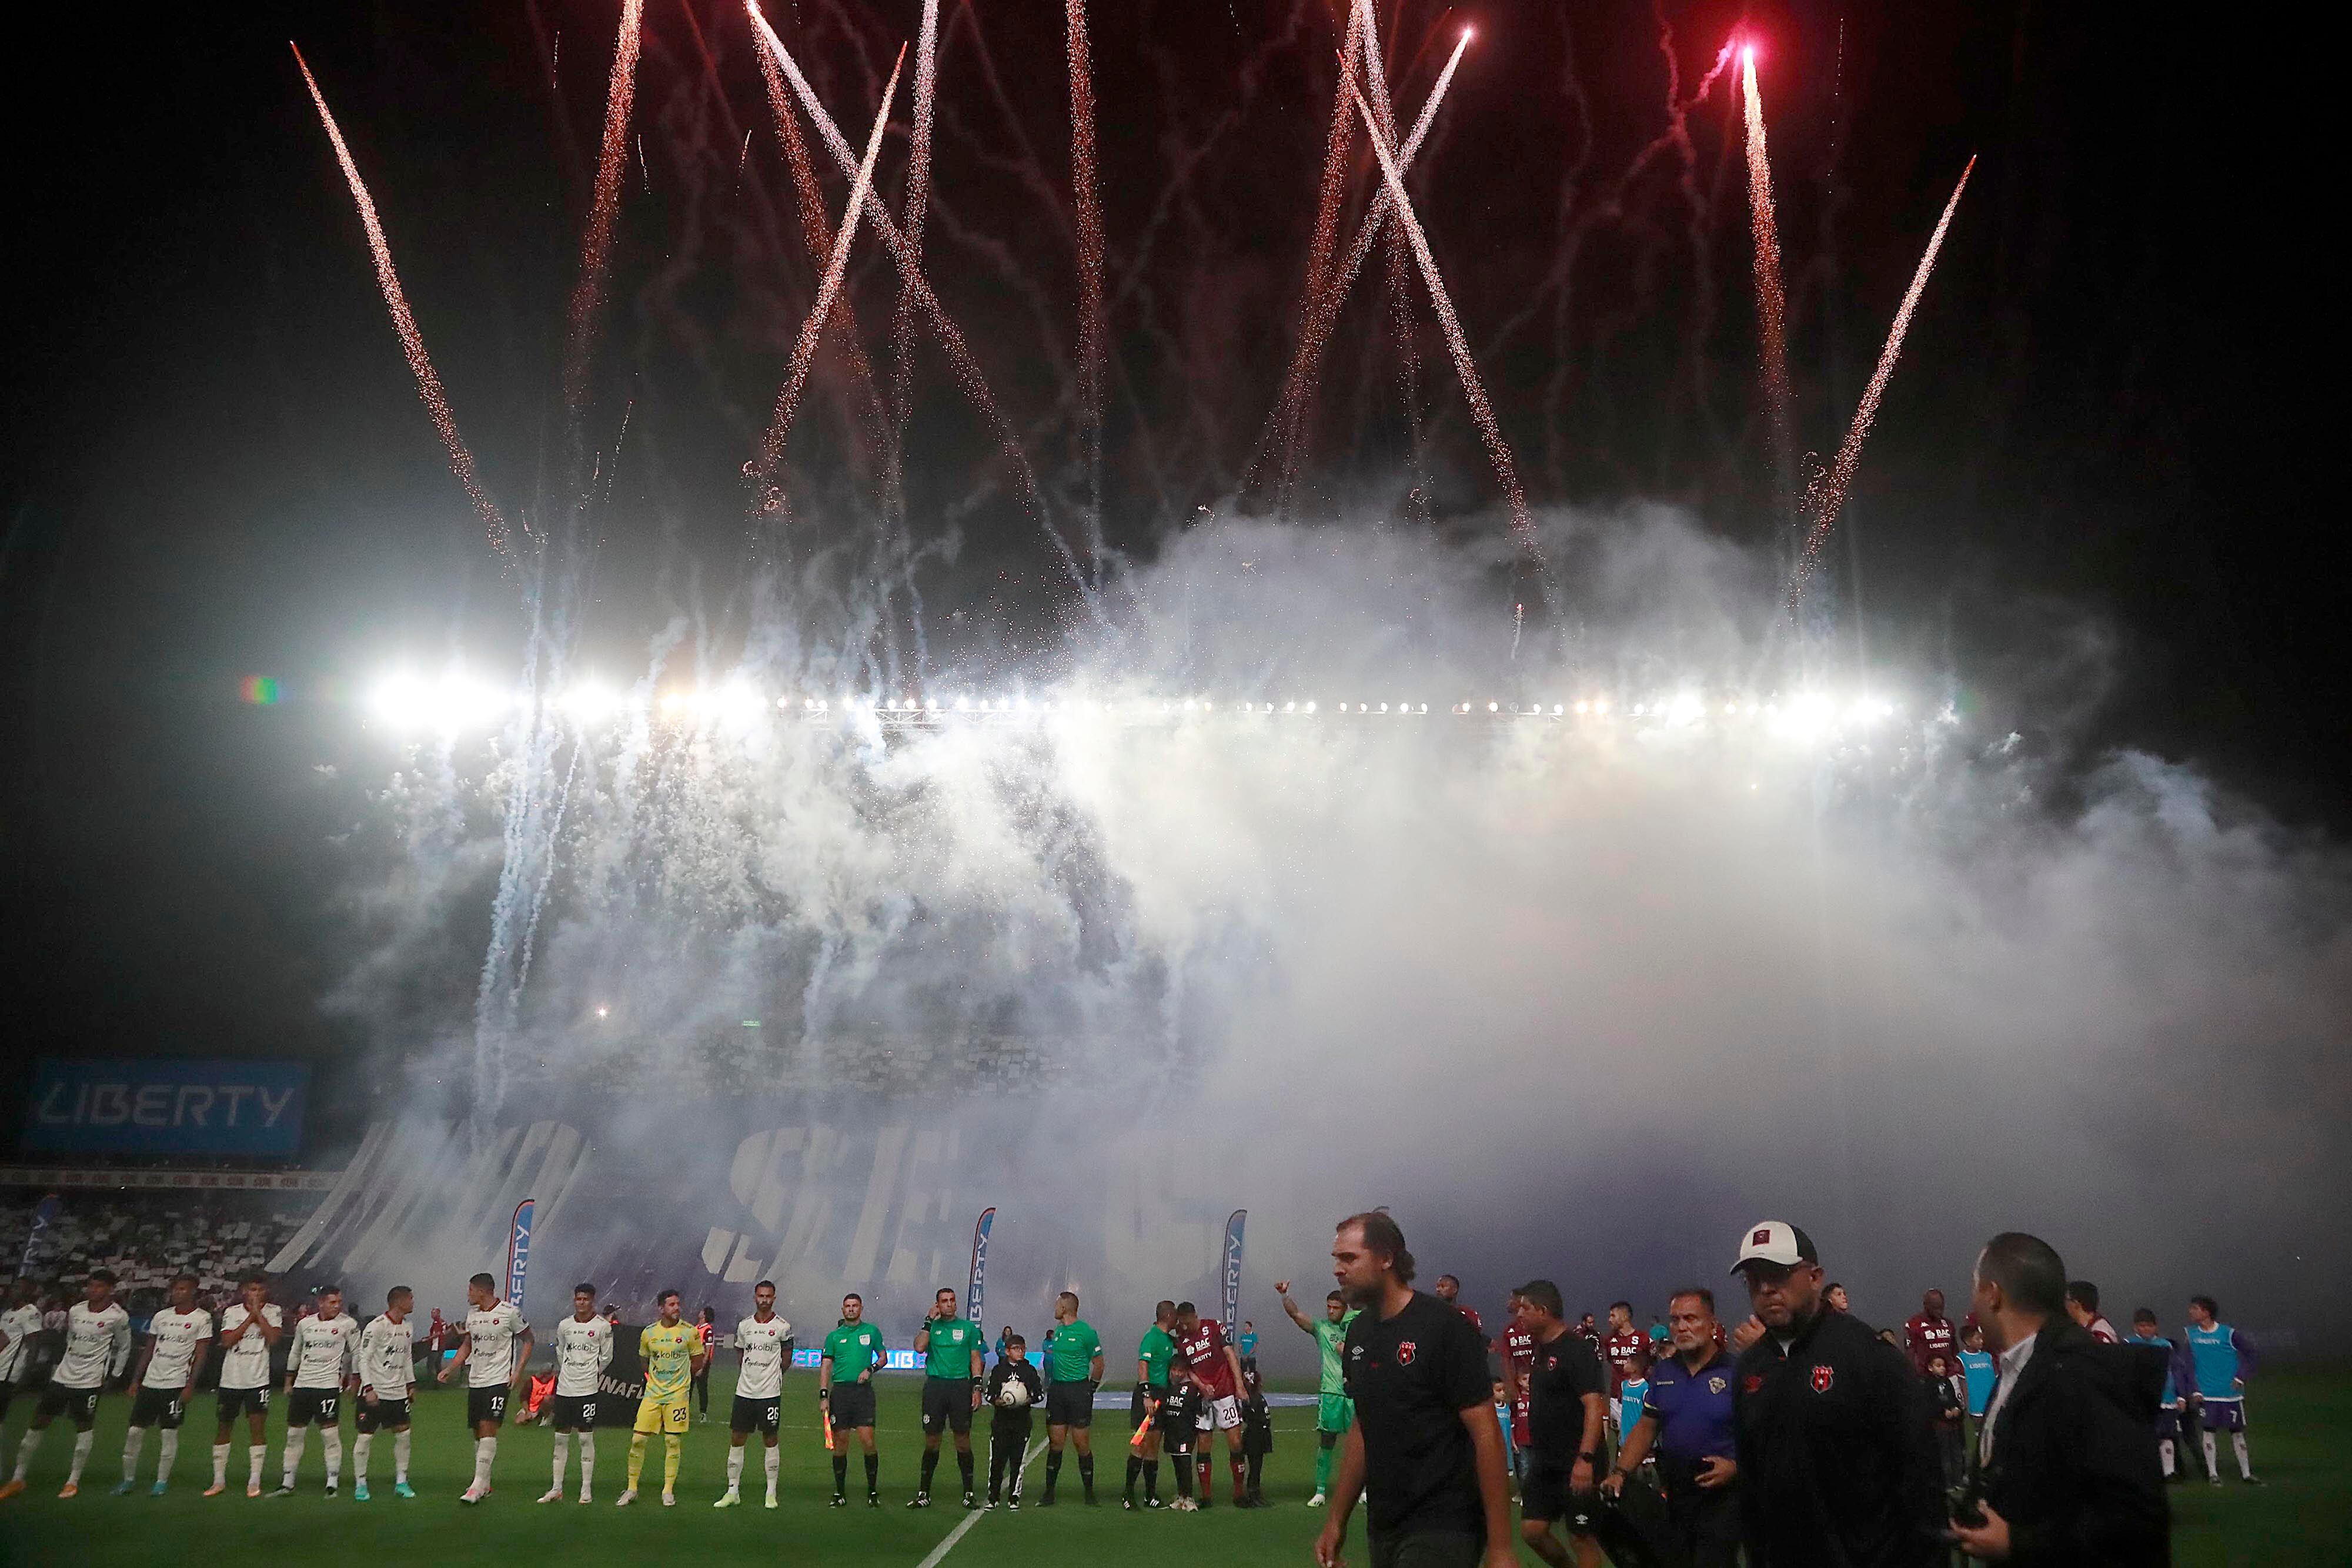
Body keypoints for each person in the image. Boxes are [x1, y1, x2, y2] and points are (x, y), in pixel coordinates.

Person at [1728, 1221, 1943, 1568]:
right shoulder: (1749, 1368)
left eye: (1779, 1274)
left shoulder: (1868, 1355)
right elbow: (1752, 1486)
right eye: (1754, 1278)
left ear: (1815, 1278)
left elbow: (1920, 1479)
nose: (1766, 1288)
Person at [1951, 1231, 2169, 1564]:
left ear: (1993, 1295)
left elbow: (2139, 1524)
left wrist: (2020, 1543)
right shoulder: (2018, 1368)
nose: (1973, 1304)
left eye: (1975, 1288)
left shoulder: (2083, 1372)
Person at [1312, 1212, 1515, 1568]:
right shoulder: (1359, 1333)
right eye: (1336, 1259)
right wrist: (1336, 1521)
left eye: (1349, 1258)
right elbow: (1363, 1428)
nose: (1338, 1270)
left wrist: (1501, 1547)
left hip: (1445, 1522)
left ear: (1386, 1258)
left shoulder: (1444, 1327)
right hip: (1385, 1523)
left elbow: (1486, 1434)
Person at [1608, 1286, 1740, 1568]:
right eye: (1676, 1320)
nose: (1682, 1327)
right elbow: (1646, 1428)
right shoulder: (1664, 1372)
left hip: (1725, 1495)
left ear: (1712, 1325)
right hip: (1678, 1491)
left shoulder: (1736, 1371)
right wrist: (1620, 1472)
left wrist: (1736, 1466)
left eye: (1691, 1318)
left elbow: (1761, 1434)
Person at [1, 1269, 131, 1500]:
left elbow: (124, 1347)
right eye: (91, 1285)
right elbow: (71, 1338)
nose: (93, 1290)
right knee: (37, 1423)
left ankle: (73, 1481)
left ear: (110, 1289)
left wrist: (115, 1375)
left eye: (99, 1286)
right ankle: (18, 1479)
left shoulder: (118, 1316)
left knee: (83, 1426)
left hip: (90, 1380)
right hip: (63, 1376)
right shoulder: (76, 1310)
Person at [1514, 1279, 1607, 1568]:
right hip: (1546, 1462)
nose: (1519, 1314)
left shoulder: (1576, 1350)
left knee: (1581, 1537)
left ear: (1543, 1311)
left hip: (1577, 1460)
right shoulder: (1540, 1349)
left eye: (1525, 1308)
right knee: (1532, 1531)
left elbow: (1594, 1405)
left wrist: (1586, 1459)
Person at [437, 1270, 533, 1505]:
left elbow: (528, 1340)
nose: (468, 1294)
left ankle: (476, 1486)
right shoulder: (473, 1315)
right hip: (477, 1379)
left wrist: (517, 1371)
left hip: (499, 1380)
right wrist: (451, 1368)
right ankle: (485, 1484)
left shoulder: (509, 1313)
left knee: (488, 1426)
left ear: (482, 1291)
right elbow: (468, 1344)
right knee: (478, 1431)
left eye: (470, 1290)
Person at [117, 1273, 212, 1496]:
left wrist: (190, 1385)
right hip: (151, 1382)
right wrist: (136, 1380)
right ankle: (128, 1480)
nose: (177, 1293)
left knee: (168, 1433)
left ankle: (161, 1482)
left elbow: (201, 1355)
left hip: (176, 1384)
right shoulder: (161, 1316)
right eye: (175, 1289)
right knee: (134, 1432)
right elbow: (149, 1350)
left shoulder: (202, 1318)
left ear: (193, 1292)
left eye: (182, 1289)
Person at [1279, 1278, 1359, 1506]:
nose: (1331, 1311)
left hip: (1355, 1394)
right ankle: (1321, 1491)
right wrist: (1284, 1296)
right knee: (1327, 1441)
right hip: (1331, 1393)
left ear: (1345, 1309)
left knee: (1359, 1443)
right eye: (1329, 1307)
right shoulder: (1322, 1328)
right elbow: (1296, 1315)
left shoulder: (1358, 1328)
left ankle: (1363, 1490)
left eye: (1336, 1308)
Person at [619, 1289, 701, 1507]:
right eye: (672, 1305)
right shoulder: (649, 1333)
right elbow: (644, 1361)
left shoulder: (690, 1332)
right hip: (653, 1394)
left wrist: (681, 1382)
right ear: (661, 1308)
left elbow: (697, 1361)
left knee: (672, 1441)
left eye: (678, 1304)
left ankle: (668, 1491)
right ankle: (632, 1489)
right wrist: (656, 1380)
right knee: (638, 1440)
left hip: (677, 1396)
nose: (677, 1308)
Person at [273, 1283, 356, 1496]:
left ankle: (332, 1483)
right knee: (294, 1435)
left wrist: (354, 1380)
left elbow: (358, 1353)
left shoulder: (348, 1324)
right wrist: (289, 1381)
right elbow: (295, 1352)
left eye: (339, 1302)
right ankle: (287, 1483)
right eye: (332, 1302)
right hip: (303, 1386)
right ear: (320, 1302)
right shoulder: (305, 1324)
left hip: (328, 1387)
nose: (337, 1306)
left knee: (330, 1435)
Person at [717, 1280, 793, 1509]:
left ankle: (771, 1492)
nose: (764, 1300)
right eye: (761, 1296)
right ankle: (732, 1491)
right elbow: (740, 1352)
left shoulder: (783, 1327)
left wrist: (773, 1376)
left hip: (769, 1393)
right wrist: (749, 1373)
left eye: (768, 1296)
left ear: (774, 1298)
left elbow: (787, 1358)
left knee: (770, 1438)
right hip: (745, 1392)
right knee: (737, 1438)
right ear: (755, 1298)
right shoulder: (745, 1326)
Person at [205, 1272, 282, 1497]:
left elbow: (273, 1339)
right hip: (231, 1379)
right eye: (252, 1289)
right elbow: (227, 1341)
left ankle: (254, 1481)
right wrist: (251, 1318)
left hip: (258, 1379)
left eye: (260, 1289)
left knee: (257, 1428)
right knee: (224, 1427)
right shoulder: (232, 1312)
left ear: (266, 1291)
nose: (256, 1293)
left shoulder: (274, 1311)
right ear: (244, 1291)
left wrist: (259, 1314)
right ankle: (218, 1481)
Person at [1173, 1299, 1251, 1507]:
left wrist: (1239, 1386)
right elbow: (1188, 1370)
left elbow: (1230, 1355)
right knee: (1204, 1445)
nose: (1185, 1327)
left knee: (1236, 1443)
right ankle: (1206, 1497)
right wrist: (1201, 1386)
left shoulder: (1215, 1327)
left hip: (1225, 1393)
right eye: (1182, 1323)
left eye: (1187, 1322)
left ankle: (1239, 1494)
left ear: (1195, 1316)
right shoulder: (1182, 1341)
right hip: (1203, 1398)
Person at [911, 1285, 983, 1508]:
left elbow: (975, 1358)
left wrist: (977, 1387)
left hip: (960, 1386)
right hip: (936, 1387)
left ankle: (969, 1493)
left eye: (952, 1300)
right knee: (932, 1441)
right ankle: (924, 1493)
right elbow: (919, 1348)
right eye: (944, 1301)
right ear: (937, 1305)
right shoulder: (932, 1327)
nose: (949, 1304)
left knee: (962, 1440)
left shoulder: (968, 1328)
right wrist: (928, 1321)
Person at [541, 1282, 613, 1504]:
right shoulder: (565, 1325)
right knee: (560, 1438)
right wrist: (570, 1371)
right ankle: (557, 1489)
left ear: (593, 1301)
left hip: (587, 1389)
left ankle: (586, 1489)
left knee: (584, 1438)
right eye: (579, 1299)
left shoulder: (602, 1327)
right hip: (565, 1388)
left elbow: (606, 1357)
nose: (582, 1303)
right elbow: (561, 1352)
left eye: (586, 1299)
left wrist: (590, 1372)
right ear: (574, 1300)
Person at [819, 1292, 886, 1506]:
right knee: (840, 1443)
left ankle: (872, 1492)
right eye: (848, 1306)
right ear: (843, 1310)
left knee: (868, 1441)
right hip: (841, 1393)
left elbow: (883, 1357)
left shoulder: (871, 1331)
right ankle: (839, 1493)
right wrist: (823, 1395)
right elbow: (826, 1366)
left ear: (861, 1309)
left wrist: (871, 1369)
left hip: (863, 1393)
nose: (851, 1309)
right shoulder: (834, 1337)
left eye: (855, 1306)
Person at [2184, 1294, 2259, 1485]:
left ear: (2206, 1312)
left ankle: (2246, 1474)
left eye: (2195, 1308)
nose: (2191, 1312)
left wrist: (2241, 1377)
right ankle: (2213, 1474)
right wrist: (2195, 1389)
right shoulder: (2191, 1335)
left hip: (2230, 1394)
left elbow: (2251, 1353)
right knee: (2208, 1432)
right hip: (2206, 1394)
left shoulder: (2228, 1334)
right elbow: (2188, 1364)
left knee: (2237, 1433)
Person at [353, 1285, 418, 1501]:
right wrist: (369, 1388)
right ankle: (361, 1484)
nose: (413, 1302)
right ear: (399, 1302)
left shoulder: (408, 1326)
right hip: (376, 1392)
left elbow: (407, 1357)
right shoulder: (376, 1327)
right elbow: (364, 1359)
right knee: (365, 1437)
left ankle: (402, 1481)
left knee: (404, 1436)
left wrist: (410, 1384)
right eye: (410, 1298)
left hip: (398, 1393)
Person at [1039, 1289, 1104, 1506]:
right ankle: (1049, 1493)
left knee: (1081, 1444)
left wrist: (1091, 1388)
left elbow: (1099, 1363)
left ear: (1065, 1307)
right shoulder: (1058, 1331)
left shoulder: (1086, 1332)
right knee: (1056, 1443)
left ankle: (1089, 1493)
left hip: (1078, 1390)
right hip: (1058, 1391)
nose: (1055, 1307)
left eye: (1057, 1304)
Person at [1125, 1298, 1178, 1509]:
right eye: (1175, 1316)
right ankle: (1128, 1495)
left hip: (1162, 1394)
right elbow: (1143, 1365)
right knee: (1142, 1444)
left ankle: (1150, 1495)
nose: (1177, 1320)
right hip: (1149, 1394)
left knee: (1154, 1445)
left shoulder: (1168, 1339)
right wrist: (1146, 1394)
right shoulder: (1152, 1337)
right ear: (1168, 1316)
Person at [2124, 1308, 2188, 1480]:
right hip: (2141, 1398)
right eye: (2142, 1326)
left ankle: (2169, 1472)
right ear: (2135, 1327)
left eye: (2149, 1326)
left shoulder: (2165, 1345)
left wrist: (2181, 1396)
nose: (2146, 1329)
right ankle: (2142, 1471)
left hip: (2166, 1397)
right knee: (2143, 1436)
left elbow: (2177, 1371)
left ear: (2156, 1327)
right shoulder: (2128, 1344)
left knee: (2167, 1435)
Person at [982, 1333, 1044, 1507]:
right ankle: (993, 1497)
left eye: (1023, 1349)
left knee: (1018, 1462)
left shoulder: (1029, 1371)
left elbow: (1039, 1394)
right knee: (997, 1461)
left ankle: (1014, 1497)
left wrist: (1027, 1400)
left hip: (1022, 1422)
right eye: (1016, 1349)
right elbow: (989, 1394)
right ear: (1008, 1351)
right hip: (1001, 1422)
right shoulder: (998, 1370)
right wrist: (997, 1401)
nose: (1021, 1352)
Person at [1, 1279, 48, 1450]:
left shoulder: (30, 1313)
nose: (12, 1291)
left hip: (9, 1374)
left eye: (18, 1288)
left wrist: (26, 1375)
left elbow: (34, 1345)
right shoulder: (7, 1314)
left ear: (28, 1291)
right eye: (12, 1287)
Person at [1499, 1289, 1536, 1487]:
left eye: (1511, 1300)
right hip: (1520, 1386)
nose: (1508, 1303)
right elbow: (1506, 1359)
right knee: (1518, 1428)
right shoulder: (1509, 1331)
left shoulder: (1534, 1328)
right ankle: (1523, 1481)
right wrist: (1511, 1384)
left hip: (1537, 1385)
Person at [1601, 1302, 1645, 1446]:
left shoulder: (1643, 1339)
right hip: (1616, 1396)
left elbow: (1651, 1365)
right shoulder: (1609, 1341)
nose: (1610, 1320)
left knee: (1638, 1437)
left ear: (1625, 1316)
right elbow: (1611, 1361)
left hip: (1637, 1397)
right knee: (1618, 1436)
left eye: (1613, 1315)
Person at [1160, 1366, 1202, 1511]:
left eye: (1180, 1371)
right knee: (1177, 1464)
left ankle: (1189, 1498)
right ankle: (1181, 1496)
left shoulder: (1192, 1389)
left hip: (1186, 1433)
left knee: (1185, 1463)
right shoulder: (1168, 1388)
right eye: (1175, 1370)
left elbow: (1200, 1410)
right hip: (1172, 1432)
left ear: (1185, 1372)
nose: (1177, 1374)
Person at [1923, 1354, 1966, 1489]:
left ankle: (1959, 1480)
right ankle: (1948, 1482)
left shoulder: (1947, 1382)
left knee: (1957, 1453)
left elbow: (1953, 1398)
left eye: (1944, 1366)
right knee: (1944, 1455)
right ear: (1930, 1368)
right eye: (1938, 1366)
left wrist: (1957, 1409)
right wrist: (1943, 1412)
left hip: (1953, 1424)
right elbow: (1930, 1404)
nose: (1942, 1369)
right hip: (1940, 1425)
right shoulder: (1928, 1384)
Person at [1240, 1362, 1274, 1506]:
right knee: (1255, 1467)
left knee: (1257, 1466)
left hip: (1260, 1435)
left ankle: (1256, 1493)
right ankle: (1253, 1494)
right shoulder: (1253, 1400)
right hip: (1255, 1436)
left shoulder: (1257, 1398)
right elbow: (1248, 1417)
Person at [1903, 1288, 1957, 1379]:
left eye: (1941, 1308)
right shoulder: (1913, 1324)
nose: (1939, 1311)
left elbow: (1954, 1350)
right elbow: (1910, 1354)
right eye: (1935, 1308)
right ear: (1926, 1306)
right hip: (1925, 1377)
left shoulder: (1949, 1324)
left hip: (1949, 1376)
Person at [1616, 1350, 1651, 1457]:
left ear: (1635, 1368)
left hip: (1639, 1435)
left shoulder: (1645, 1388)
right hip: (1625, 1434)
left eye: (1627, 1362)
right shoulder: (1624, 1385)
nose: (1624, 1364)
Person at [2066, 1281, 2119, 1345]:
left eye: (2066, 1299)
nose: (2064, 1303)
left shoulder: (2099, 1337)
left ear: (2076, 1304)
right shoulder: (2086, 1328)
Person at [692, 1306, 717, 1424]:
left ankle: (703, 1413)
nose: (700, 1312)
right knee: (688, 1388)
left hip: (702, 1362)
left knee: (702, 1388)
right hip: (692, 1361)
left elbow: (708, 1350)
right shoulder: (695, 1328)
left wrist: (702, 1367)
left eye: (702, 1311)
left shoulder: (708, 1330)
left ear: (705, 1315)